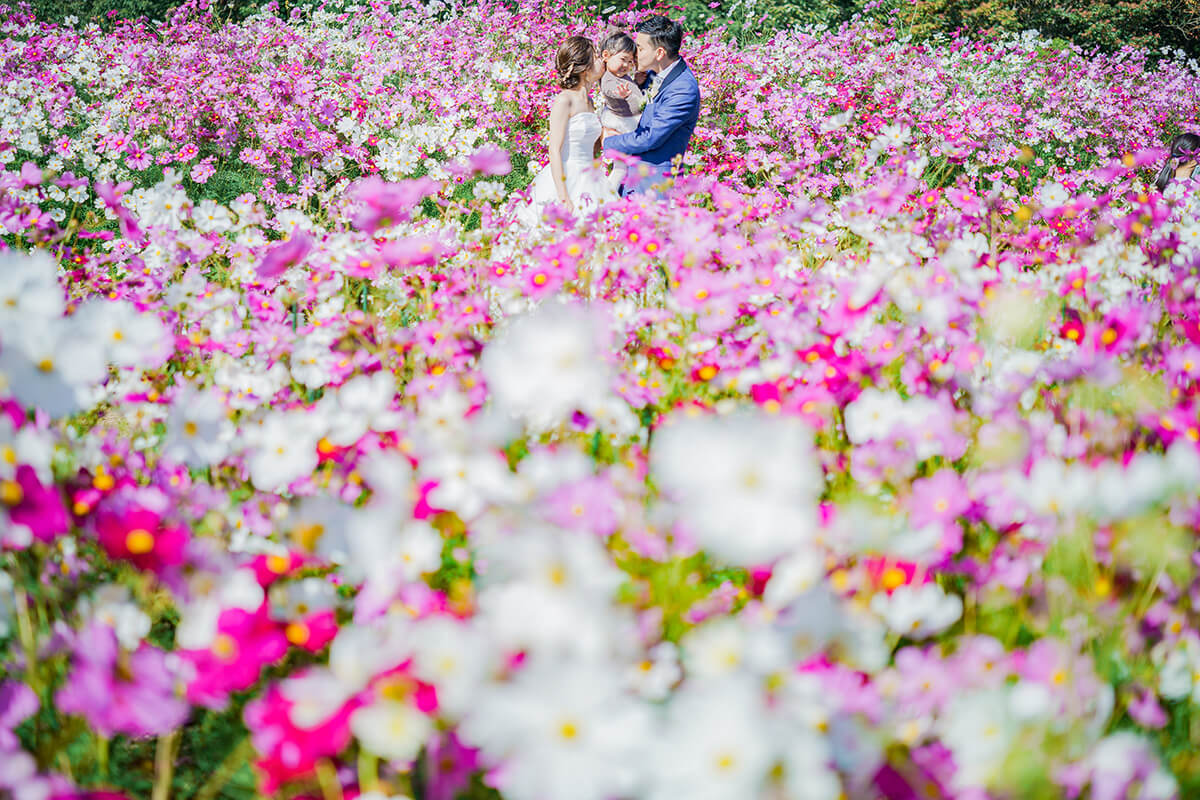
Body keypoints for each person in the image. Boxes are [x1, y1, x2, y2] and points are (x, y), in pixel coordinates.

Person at [517, 36, 615, 225]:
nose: (601, 60)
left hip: (591, 178)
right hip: (566, 177)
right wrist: (564, 197)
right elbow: (554, 150)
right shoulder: (564, 100)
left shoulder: (590, 102)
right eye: (595, 56)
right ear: (584, 67)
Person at [602, 16, 700, 199]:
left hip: (653, 187)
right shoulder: (652, 75)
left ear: (660, 53)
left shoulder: (683, 89)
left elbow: (650, 137)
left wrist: (606, 142)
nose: (634, 53)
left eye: (640, 48)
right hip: (633, 181)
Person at [596, 32, 645, 194]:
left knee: (623, 167)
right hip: (620, 124)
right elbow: (607, 89)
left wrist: (637, 82)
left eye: (630, 62)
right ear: (606, 56)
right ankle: (607, 196)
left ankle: (610, 194)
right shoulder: (608, 77)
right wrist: (620, 94)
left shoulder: (623, 76)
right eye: (623, 59)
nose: (626, 65)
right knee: (620, 168)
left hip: (626, 122)